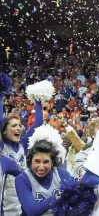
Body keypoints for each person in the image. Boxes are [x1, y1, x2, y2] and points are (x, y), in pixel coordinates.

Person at [0, 80, 48, 216]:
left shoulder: (23, 144)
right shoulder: (2, 146)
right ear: (4, 131)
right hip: (5, 203)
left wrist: (38, 99)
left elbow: (38, 123)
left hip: (23, 200)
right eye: (13, 126)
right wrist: (0, 95)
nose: (18, 128)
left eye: (19, 125)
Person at [15, 124, 72, 216]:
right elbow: (32, 212)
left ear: (52, 163)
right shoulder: (22, 179)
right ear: (30, 161)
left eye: (46, 162)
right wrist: (58, 195)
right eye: (37, 161)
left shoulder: (62, 174)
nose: (41, 167)